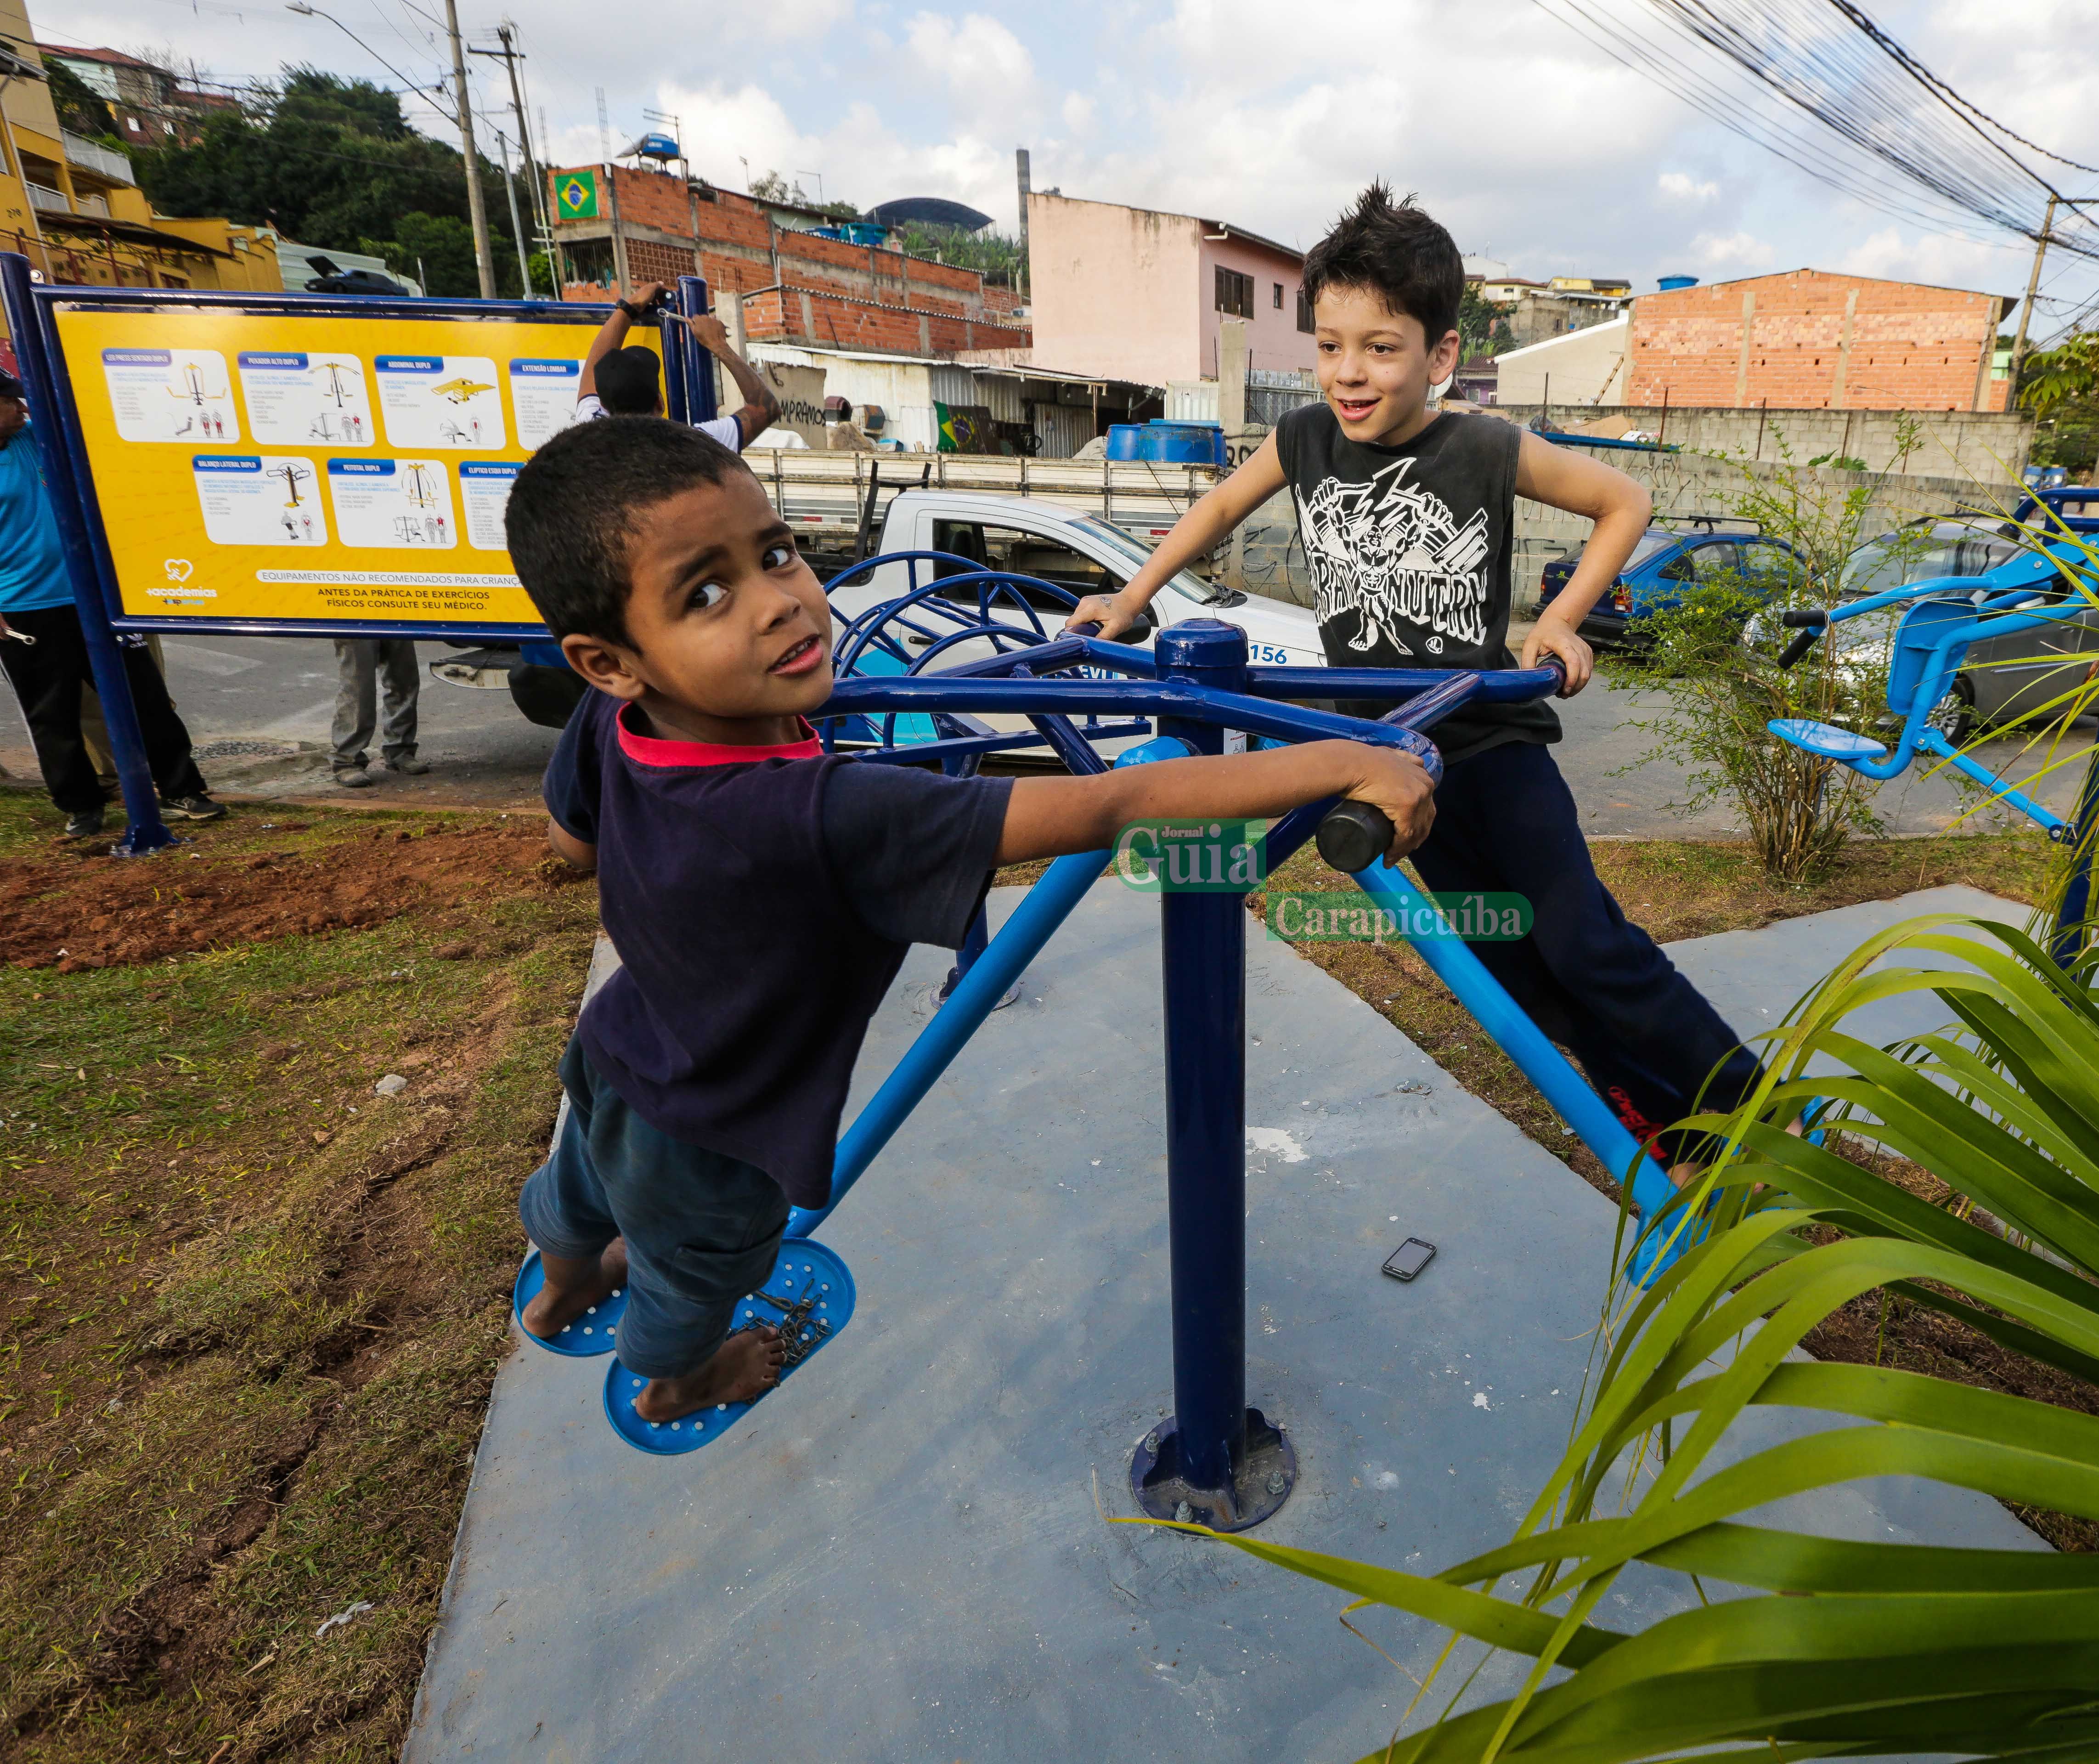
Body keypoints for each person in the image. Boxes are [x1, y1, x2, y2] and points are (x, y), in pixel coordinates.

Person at [502, 417, 1433, 1421]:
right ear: (609, 659)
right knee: (696, 1268)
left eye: (775, 553)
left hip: (618, 1044)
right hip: (720, 1127)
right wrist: (1354, 759)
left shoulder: (618, 720)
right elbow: (1115, 803)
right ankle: (680, 1379)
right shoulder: (820, 814)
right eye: (708, 593)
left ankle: (558, 1291)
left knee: (583, 1187)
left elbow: (574, 845)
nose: (780, 602)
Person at [1070, 184, 1762, 1183]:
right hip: (1390, 759)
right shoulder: (1306, 439)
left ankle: (1761, 1111)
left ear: (1441, 357)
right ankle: (1678, 1134)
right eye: (1330, 345)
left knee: (1585, 943)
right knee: (1513, 966)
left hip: (1488, 739)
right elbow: (1218, 508)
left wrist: (1559, 618)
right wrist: (1130, 599)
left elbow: (1625, 498)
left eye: (1381, 347)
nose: (1350, 373)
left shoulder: (1480, 447)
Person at [0, 369, 226, 836]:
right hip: (24, 607)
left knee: (146, 698)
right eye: (10, 401)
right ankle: (81, 806)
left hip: (98, 599)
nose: (22, 408)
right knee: (53, 715)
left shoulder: (34, 437)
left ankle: (183, 789)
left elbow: (76, 403)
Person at [575, 281, 779, 450]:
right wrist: (718, 345)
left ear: (602, 405)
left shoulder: (589, 437)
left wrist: (630, 307)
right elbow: (766, 409)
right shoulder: (688, 446)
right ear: (659, 404)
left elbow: (594, 366)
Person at [328, 636, 421, 786]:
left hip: (396, 614)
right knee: (358, 687)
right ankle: (347, 761)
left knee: (404, 680)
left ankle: (399, 750)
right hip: (356, 617)